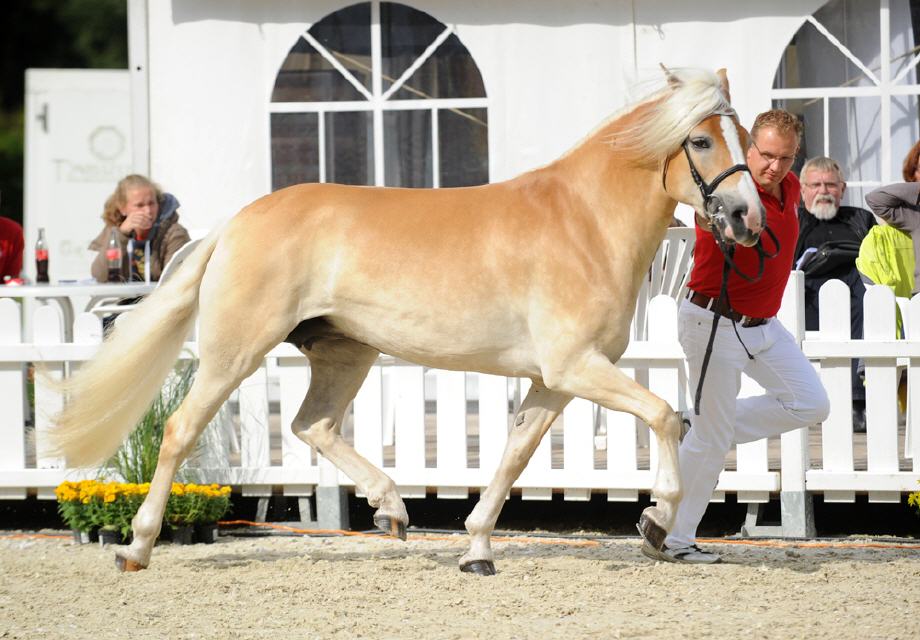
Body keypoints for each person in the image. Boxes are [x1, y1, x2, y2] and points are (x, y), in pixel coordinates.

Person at [642, 109, 830, 564]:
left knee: (811, 403)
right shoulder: (728, 191)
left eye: (785, 158)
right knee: (712, 438)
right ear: (749, 149)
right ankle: (670, 537)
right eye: (766, 155)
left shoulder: (789, 189)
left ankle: (696, 422)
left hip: (764, 326)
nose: (774, 166)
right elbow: (715, 220)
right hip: (714, 322)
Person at [794, 156, 875, 432]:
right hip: (808, 299)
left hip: (857, 301)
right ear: (802, 189)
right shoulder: (794, 221)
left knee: (861, 282)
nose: (824, 191)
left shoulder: (860, 218)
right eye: (816, 184)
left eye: (831, 184)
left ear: (842, 189)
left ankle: (856, 401)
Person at [89, 174, 190, 282]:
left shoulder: (174, 233)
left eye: (151, 203)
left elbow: (175, 280)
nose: (148, 211)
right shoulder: (114, 231)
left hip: (158, 297)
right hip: (121, 298)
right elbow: (100, 276)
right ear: (122, 208)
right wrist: (121, 235)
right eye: (139, 205)